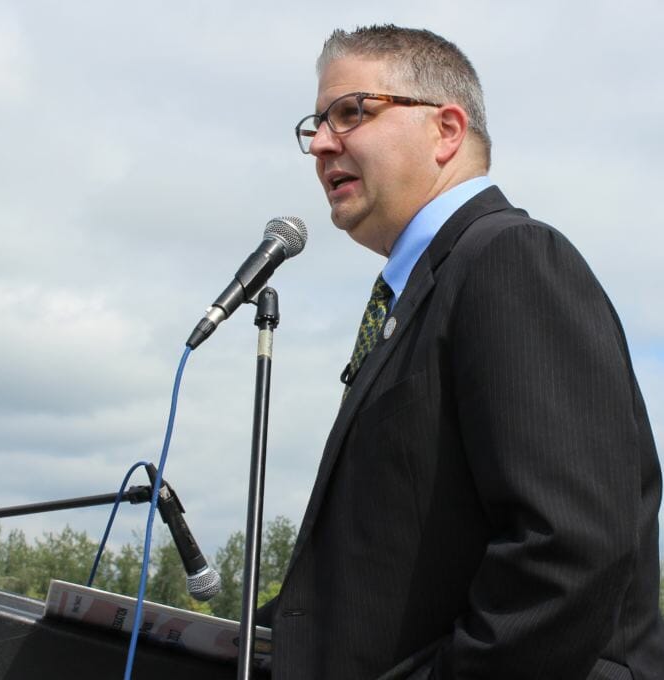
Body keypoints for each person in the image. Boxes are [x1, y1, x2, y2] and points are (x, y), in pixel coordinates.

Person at [262, 24, 664, 679]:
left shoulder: (510, 258)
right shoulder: (422, 292)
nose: (324, 143)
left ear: (446, 130)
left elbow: (567, 549)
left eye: (352, 112)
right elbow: (392, 578)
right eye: (317, 123)